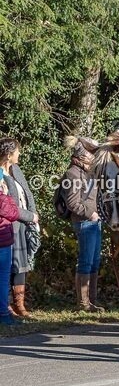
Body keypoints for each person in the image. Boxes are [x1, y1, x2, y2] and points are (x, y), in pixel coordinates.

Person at [61, 137, 104, 312]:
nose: (93, 158)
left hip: (94, 222)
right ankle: (83, 303)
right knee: (85, 262)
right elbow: (72, 203)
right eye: (90, 155)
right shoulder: (72, 173)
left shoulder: (88, 173)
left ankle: (91, 301)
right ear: (81, 157)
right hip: (85, 222)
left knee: (94, 261)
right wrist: (91, 214)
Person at [0, 139, 39, 319]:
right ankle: (6, 305)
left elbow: (27, 193)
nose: (19, 154)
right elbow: (9, 204)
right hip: (11, 223)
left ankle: (20, 304)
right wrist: (29, 216)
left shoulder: (16, 170)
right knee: (9, 265)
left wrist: (33, 215)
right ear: (9, 154)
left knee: (21, 264)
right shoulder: (1, 174)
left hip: (23, 223)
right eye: (17, 151)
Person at [0, 174, 23, 325]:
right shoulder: (3, 199)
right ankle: (3, 314)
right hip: (3, 242)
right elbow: (14, 213)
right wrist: (7, 194)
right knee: (3, 278)